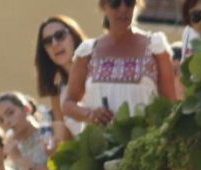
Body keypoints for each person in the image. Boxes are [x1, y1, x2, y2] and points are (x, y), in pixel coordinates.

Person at [63, 0, 180, 128]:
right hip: (100, 139)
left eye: (129, 3)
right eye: (115, 3)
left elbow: (169, 104)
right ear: (103, 7)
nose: (123, 9)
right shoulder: (88, 52)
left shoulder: (155, 47)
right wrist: (91, 114)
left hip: (144, 138)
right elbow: (68, 104)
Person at [34, 16, 88, 144]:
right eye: (48, 41)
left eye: (60, 36)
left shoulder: (97, 69)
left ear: (74, 36)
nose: (54, 44)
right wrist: (53, 147)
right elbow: (64, 139)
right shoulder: (57, 92)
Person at [0, 91, 50, 170]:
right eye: (1, 120)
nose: (6, 122)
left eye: (10, 113)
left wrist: (19, 159)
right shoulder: (15, 150)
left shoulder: (50, 133)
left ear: (27, 109)